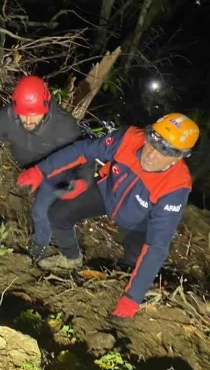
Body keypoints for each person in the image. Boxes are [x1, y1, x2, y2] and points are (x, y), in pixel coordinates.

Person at [16, 113, 199, 320]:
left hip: (137, 221)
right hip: (106, 192)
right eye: (152, 142)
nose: (151, 154)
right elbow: (83, 150)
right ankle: (71, 258)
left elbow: (157, 245)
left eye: (164, 151)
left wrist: (132, 299)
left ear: (179, 156)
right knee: (58, 215)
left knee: (133, 265)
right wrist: (40, 171)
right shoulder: (129, 139)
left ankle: (128, 291)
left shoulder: (175, 186)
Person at [0, 75, 84, 260]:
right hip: (31, 170)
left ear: (46, 107)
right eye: (23, 113)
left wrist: (82, 181)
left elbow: (84, 153)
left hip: (58, 171)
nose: (28, 120)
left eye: (34, 114)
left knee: (41, 211)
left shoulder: (64, 126)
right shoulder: (8, 116)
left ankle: (40, 250)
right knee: (42, 208)